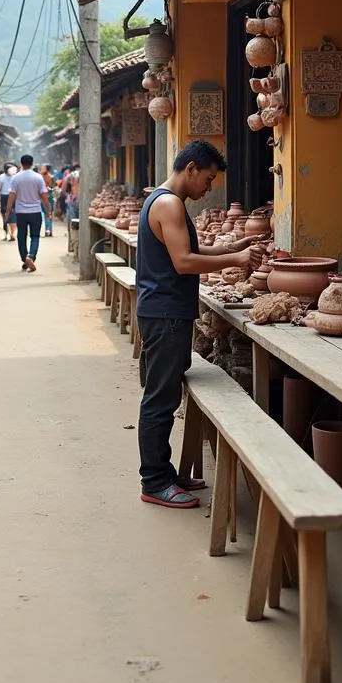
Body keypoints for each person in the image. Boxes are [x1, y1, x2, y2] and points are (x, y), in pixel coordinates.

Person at [135, 141, 265, 509]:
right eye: (207, 179)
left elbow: (190, 251)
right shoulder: (168, 204)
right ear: (191, 168)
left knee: (166, 393)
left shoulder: (165, 201)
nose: (208, 188)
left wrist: (232, 248)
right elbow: (183, 262)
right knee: (160, 399)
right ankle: (154, 481)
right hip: (165, 314)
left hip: (165, 311)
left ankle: (163, 471)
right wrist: (236, 257)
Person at [6, 154, 51, 272]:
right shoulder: (38, 177)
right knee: (35, 236)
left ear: (21, 163)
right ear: (32, 163)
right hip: (35, 211)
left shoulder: (16, 178)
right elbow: (44, 196)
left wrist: (8, 211)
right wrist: (48, 211)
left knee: (21, 237)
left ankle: (24, 259)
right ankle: (31, 256)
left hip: (21, 212)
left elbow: (12, 195)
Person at [0, 163, 17, 242]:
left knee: (4, 216)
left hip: (4, 197)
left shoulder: (1, 177)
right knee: (13, 216)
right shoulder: (15, 177)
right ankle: (12, 234)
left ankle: (7, 234)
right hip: (13, 196)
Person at [39, 164, 55, 237]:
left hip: (46, 198)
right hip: (45, 198)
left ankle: (48, 229)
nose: (41, 169)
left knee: (47, 214)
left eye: (43, 168)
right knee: (48, 214)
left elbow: (52, 187)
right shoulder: (41, 177)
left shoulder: (44, 177)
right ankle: (48, 230)